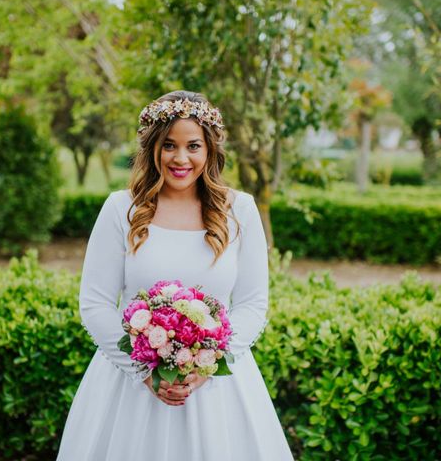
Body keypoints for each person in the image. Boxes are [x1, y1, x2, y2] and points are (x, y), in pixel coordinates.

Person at [56, 91, 294, 460]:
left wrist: (208, 366)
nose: (181, 158)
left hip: (218, 390)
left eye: (193, 146)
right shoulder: (122, 209)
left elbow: (252, 303)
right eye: (169, 145)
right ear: (153, 148)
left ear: (210, 150)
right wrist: (146, 372)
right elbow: (95, 302)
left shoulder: (240, 210)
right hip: (130, 389)